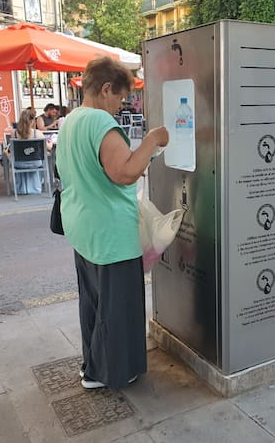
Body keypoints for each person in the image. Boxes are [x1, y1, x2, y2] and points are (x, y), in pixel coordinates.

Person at [56, 56, 169, 390]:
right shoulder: (100, 123)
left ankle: (92, 364)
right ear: (106, 89)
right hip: (111, 233)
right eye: (120, 97)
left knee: (94, 302)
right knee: (117, 307)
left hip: (83, 227)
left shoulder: (71, 120)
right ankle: (107, 373)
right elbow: (124, 173)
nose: (121, 106)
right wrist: (152, 140)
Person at [8, 108, 47, 195]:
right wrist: (50, 144)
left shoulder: (14, 133)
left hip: (18, 163)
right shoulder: (37, 133)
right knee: (46, 157)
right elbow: (47, 147)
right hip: (35, 163)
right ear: (33, 121)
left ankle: (20, 188)